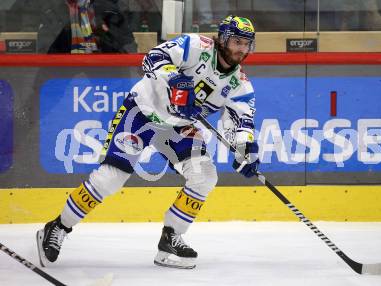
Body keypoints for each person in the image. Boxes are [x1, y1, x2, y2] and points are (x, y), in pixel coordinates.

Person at [36, 15, 259, 269]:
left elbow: (242, 123)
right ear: (223, 39)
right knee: (110, 178)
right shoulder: (196, 46)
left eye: (246, 44)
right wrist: (175, 79)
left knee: (205, 175)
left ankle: (171, 238)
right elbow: (152, 58)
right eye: (237, 41)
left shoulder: (240, 85)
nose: (241, 49)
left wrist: (246, 150)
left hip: (177, 126)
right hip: (142, 111)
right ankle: (58, 227)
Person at [36, 0, 137, 53]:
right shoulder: (52, 11)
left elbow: (127, 45)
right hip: (65, 66)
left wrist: (103, 36)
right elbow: (43, 49)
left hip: (101, 65)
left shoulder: (108, 9)